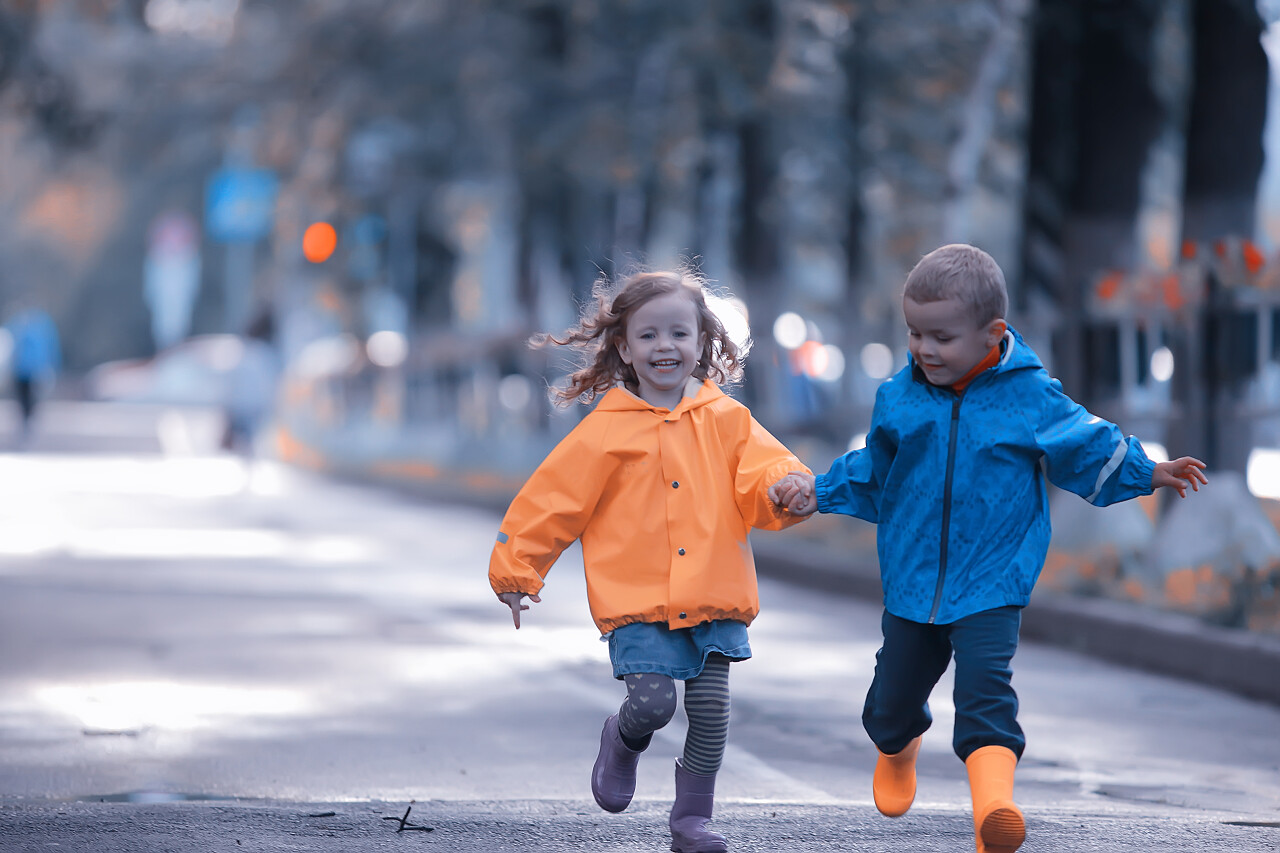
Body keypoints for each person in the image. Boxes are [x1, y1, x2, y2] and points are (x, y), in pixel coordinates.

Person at [770, 244, 1207, 853]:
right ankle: (897, 747)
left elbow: (1084, 442)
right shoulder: (900, 398)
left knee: (985, 691)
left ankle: (993, 810)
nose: (925, 349)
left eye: (941, 337)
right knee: (889, 704)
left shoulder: (1028, 396)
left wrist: (1149, 470)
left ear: (992, 334)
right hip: (913, 576)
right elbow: (876, 469)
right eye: (915, 334)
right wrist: (818, 490)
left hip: (994, 579)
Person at [488, 269, 811, 853]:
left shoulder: (727, 420)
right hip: (638, 603)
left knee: (710, 713)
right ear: (624, 347)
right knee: (655, 702)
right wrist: (518, 569)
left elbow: (765, 472)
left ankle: (692, 822)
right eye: (649, 336)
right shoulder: (605, 431)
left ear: (701, 343)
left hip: (715, 594)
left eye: (679, 334)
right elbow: (553, 501)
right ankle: (622, 739)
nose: (665, 347)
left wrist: (786, 487)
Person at [5, 302, 61, 440]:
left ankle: (28, 420)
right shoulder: (19, 329)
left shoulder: (38, 332)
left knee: (30, 398)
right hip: (20, 371)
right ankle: (25, 420)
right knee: (22, 398)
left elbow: (47, 352)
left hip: (32, 372)